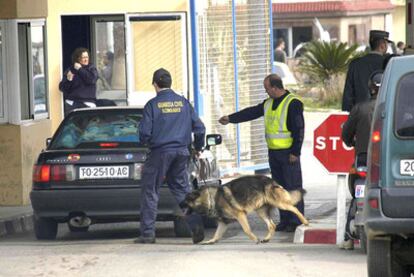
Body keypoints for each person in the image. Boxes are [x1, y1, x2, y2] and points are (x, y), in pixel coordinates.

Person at [219, 73, 305, 232]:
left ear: (275, 87)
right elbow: (251, 112)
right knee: (278, 189)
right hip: (274, 153)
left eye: (267, 88)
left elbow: (299, 129)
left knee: (293, 187)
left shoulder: (293, 103)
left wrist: (295, 152)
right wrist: (230, 118)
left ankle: (296, 221)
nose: (266, 91)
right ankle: (285, 221)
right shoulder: (268, 103)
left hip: (288, 154)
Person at [137, 68, 206, 244]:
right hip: (182, 152)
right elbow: (200, 128)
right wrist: (198, 147)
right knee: (183, 192)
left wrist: (146, 143)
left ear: (155, 84)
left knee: (151, 191)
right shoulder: (184, 103)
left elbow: (144, 132)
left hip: (160, 153)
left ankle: (147, 234)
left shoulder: (152, 105)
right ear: (170, 83)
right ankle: (197, 230)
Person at [340, 70, 382, 250]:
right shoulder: (395, 106)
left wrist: (351, 142)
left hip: (363, 158)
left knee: (356, 194)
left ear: (371, 87)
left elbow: (346, 133)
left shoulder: (360, 108)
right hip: (384, 161)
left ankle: (348, 238)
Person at [341, 30, 391, 112]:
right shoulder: (389, 63)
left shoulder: (355, 64)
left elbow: (348, 95)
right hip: (383, 113)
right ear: (383, 45)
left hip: (360, 114)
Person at [59, 48, 99, 116]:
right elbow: (63, 88)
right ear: (77, 59)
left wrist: (80, 69)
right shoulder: (70, 70)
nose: (86, 59)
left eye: (87, 57)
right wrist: (69, 80)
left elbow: (91, 80)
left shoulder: (92, 68)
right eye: (83, 57)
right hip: (72, 103)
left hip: (88, 103)